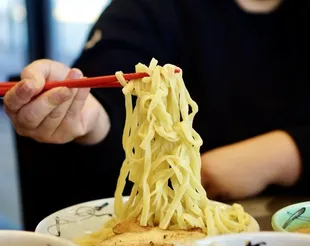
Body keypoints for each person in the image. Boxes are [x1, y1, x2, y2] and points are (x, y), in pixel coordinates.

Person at [3, 0, 310, 230]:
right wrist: (87, 116)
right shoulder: (145, 9)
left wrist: (286, 153)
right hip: (170, 240)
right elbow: (109, 93)